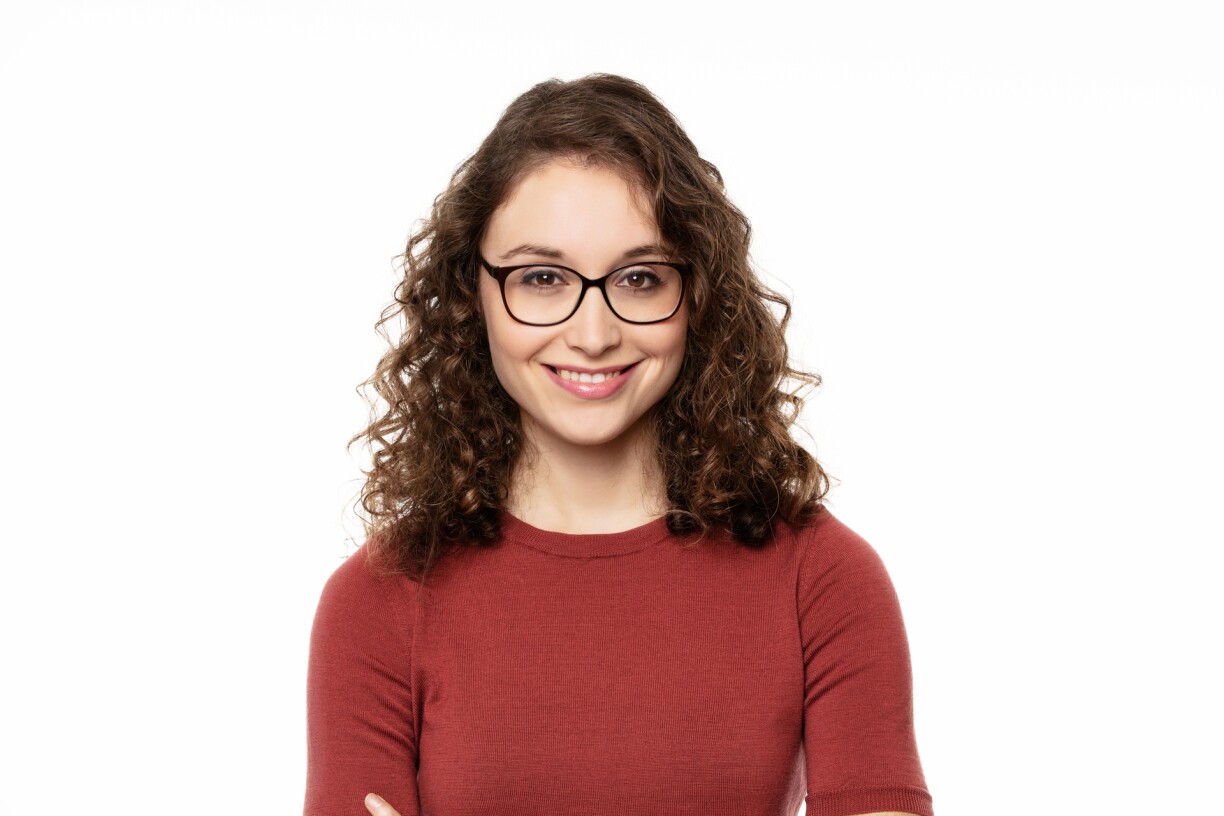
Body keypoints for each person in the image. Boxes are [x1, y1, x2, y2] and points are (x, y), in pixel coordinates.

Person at [304, 73, 934, 816]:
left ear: (697, 294)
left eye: (639, 278)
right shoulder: (379, 601)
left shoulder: (821, 579)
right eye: (542, 278)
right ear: (472, 294)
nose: (594, 334)